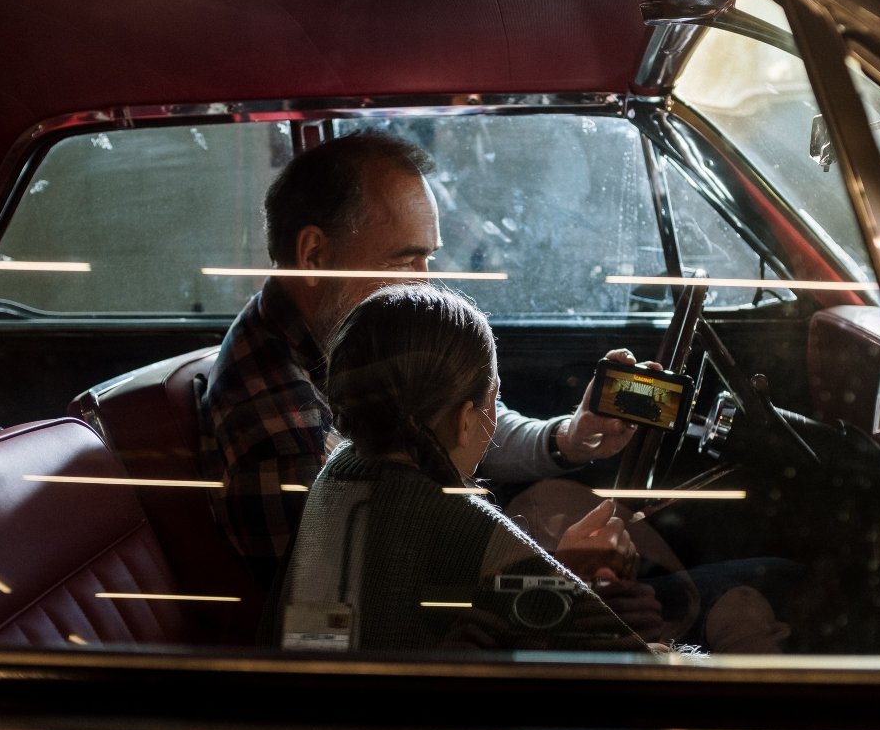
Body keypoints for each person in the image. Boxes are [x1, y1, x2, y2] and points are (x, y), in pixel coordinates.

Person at [203, 131, 642, 596]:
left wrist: (566, 439)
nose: (425, 284)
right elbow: (350, 612)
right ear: (314, 254)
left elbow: (456, 429)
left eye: (428, 259)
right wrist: (557, 581)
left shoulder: (342, 341)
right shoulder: (282, 431)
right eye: (406, 260)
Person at [274, 282, 659, 653]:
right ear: (463, 421)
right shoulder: (469, 531)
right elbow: (633, 672)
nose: (495, 419)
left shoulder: (333, 483)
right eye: (496, 399)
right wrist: (570, 577)